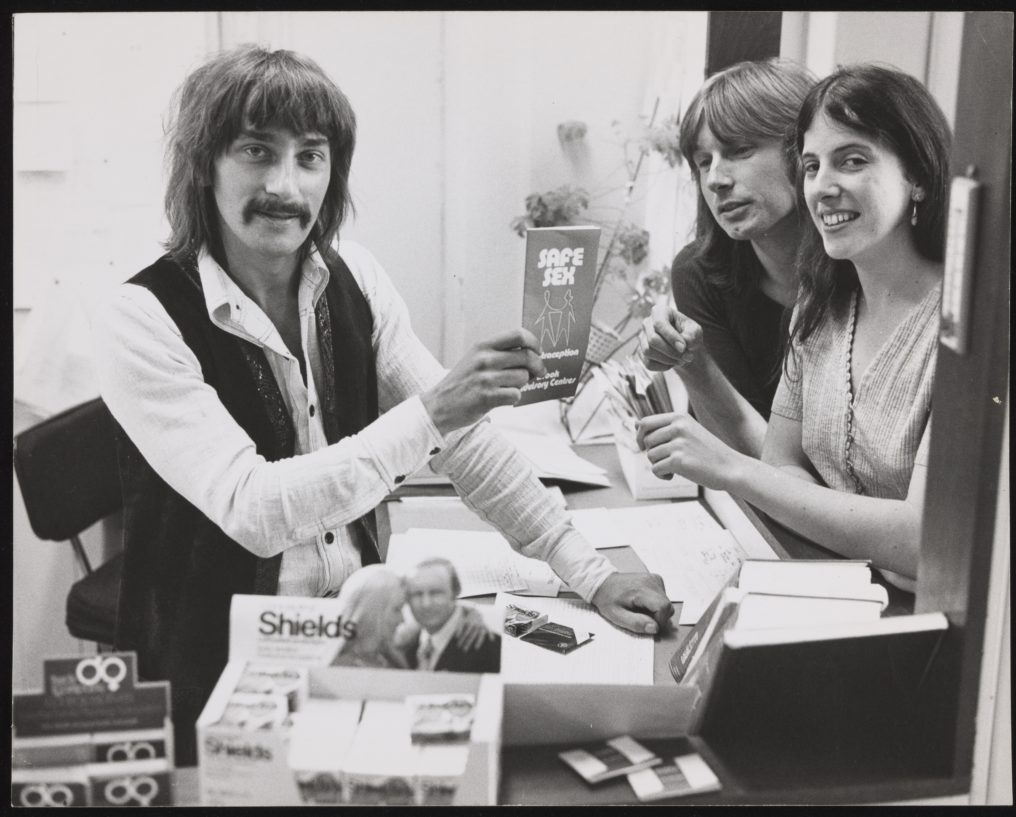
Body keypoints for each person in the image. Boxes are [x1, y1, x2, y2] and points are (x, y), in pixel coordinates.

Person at [91, 45, 672, 765]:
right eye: (255, 151)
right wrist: (433, 413)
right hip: (217, 670)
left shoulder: (353, 275)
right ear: (203, 165)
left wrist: (587, 568)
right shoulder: (139, 317)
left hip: (361, 638)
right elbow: (256, 508)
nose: (285, 183)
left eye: (311, 156)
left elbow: (467, 444)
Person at [637, 64, 950, 591]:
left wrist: (733, 470)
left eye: (851, 161)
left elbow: (923, 540)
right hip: (832, 588)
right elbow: (781, 464)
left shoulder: (964, 330)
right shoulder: (819, 306)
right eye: (810, 166)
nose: (823, 186)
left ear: (917, 176)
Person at [639, 60, 816, 457]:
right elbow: (747, 450)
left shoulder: (859, 270)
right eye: (704, 162)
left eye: (740, 150)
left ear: (803, 152)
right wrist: (689, 361)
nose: (716, 179)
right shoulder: (699, 273)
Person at [402, 558, 501, 673]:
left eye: (436, 593)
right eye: (417, 594)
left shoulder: (488, 649)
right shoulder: (402, 646)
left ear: (455, 592)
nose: (426, 604)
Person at [331, 565, 407, 669]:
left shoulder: (396, 660)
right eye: (397, 609)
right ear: (373, 612)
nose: (402, 620)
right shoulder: (333, 665)